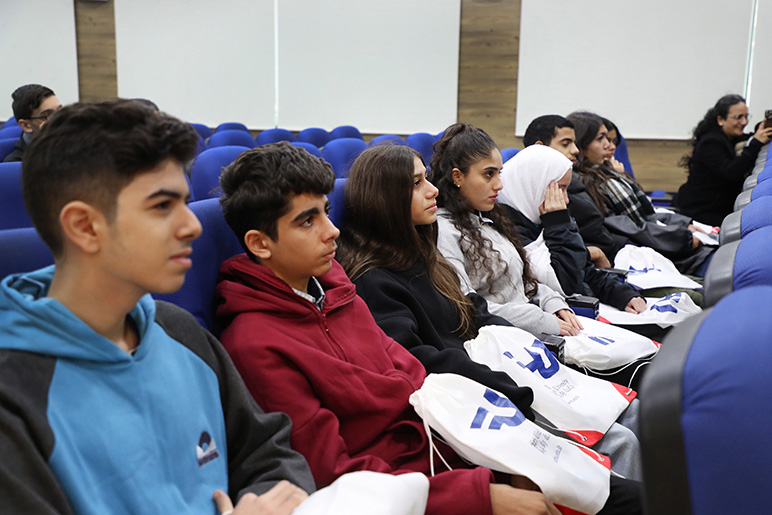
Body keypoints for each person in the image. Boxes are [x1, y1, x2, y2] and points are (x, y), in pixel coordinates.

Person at [0, 99, 314, 514]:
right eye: (163, 206)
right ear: (84, 226)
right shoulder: (14, 395)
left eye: (185, 201)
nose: (193, 225)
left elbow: (268, 454)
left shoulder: (181, 332)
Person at [337, 144, 643, 480]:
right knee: (620, 441)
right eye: (416, 183)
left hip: (498, 372)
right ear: (384, 198)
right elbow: (419, 360)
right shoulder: (373, 279)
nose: (433, 189)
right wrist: (503, 380)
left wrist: (522, 348)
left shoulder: (424, 252)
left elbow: (474, 309)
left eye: (427, 178)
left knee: (629, 411)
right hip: (473, 399)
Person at [431, 123, 582, 337]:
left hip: (530, 330)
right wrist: (541, 321)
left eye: (499, 173)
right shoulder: (445, 231)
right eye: (488, 174)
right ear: (458, 177)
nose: (499, 185)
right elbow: (466, 305)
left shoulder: (489, 219)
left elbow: (518, 282)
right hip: (501, 339)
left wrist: (551, 302)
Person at [497, 144, 645, 313]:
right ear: (533, 185)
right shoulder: (509, 230)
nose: (566, 200)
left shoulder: (539, 219)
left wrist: (622, 294)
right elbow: (567, 283)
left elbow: (584, 269)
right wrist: (558, 223)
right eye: (560, 188)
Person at [567, 111, 713, 277]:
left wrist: (683, 224)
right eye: (600, 139)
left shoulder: (607, 173)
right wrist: (683, 239)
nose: (610, 146)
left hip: (662, 247)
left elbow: (646, 215)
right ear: (582, 144)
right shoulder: (585, 185)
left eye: (609, 139)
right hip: (651, 257)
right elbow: (631, 230)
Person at [522, 114, 611, 268]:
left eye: (574, 143)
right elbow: (557, 268)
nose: (576, 150)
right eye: (565, 144)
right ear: (539, 148)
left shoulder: (572, 183)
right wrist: (592, 252)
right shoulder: (522, 206)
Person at [676, 94, 772, 226]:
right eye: (738, 117)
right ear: (721, 119)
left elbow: (750, 137)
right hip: (702, 212)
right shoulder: (711, 142)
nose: (744, 122)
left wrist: (763, 127)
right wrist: (755, 143)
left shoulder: (729, 137)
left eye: (746, 116)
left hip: (718, 209)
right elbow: (731, 172)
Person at [3, 84, 60, 162]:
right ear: (26, 125)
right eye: (47, 116)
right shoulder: (17, 163)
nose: (59, 119)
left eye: (60, 111)